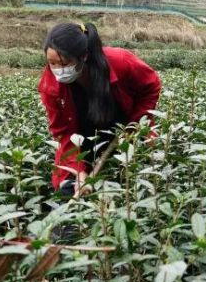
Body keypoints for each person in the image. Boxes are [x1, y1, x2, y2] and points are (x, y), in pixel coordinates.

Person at [39, 22, 161, 197]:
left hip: (124, 128)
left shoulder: (120, 61)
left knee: (135, 179)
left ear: (84, 56)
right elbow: (62, 132)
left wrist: (135, 125)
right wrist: (79, 171)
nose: (59, 70)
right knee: (69, 186)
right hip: (80, 139)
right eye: (52, 63)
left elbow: (151, 86)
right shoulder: (50, 85)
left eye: (64, 63)